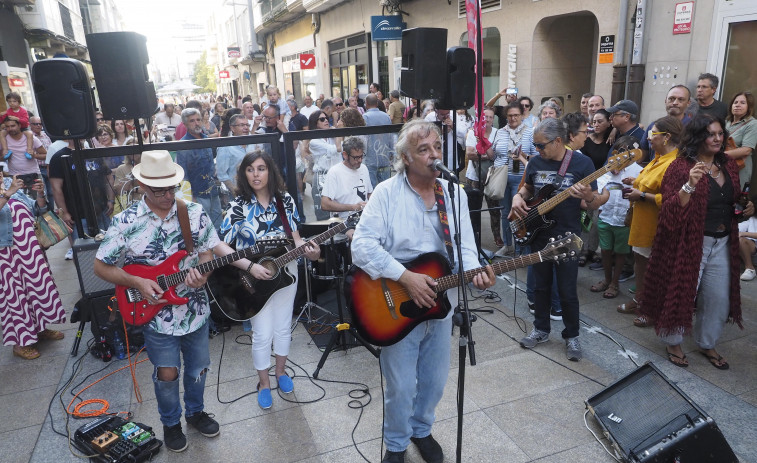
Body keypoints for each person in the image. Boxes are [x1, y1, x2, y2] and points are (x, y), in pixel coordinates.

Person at [94, 150, 257, 452]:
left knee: (198, 368)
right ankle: (170, 422)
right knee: (167, 372)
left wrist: (203, 275)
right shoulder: (125, 221)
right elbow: (100, 266)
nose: (169, 195)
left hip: (194, 310)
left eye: (172, 187)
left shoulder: (191, 212)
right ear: (142, 186)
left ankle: (195, 413)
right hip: (155, 315)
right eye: (160, 190)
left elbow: (208, 249)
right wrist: (136, 281)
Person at [351, 119, 494, 463]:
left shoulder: (454, 193)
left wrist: (475, 272)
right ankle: (397, 445)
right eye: (423, 149)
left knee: (433, 381)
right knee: (400, 386)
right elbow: (362, 246)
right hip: (395, 305)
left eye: (437, 148)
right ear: (405, 157)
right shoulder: (386, 193)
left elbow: (466, 247)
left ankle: (421, 429)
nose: (433, 155)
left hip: (442, 305)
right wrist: (405, 277)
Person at [639, 114, 749, 369]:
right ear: (698, 137)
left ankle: (707, 343)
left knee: (718, 298)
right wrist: (690, 184)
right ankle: (673, 341)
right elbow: (670, 212)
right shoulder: (679, 167)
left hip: (723, 242)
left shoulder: (728, 165)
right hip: (690, 242)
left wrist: (745, 207)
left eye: (720, 134)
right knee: (682, 293)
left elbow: (729, 202)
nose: (718, 139)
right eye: (711, 134)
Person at [220, 151, 319, 409]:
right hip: (252, 277)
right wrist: (250, 267)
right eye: (250, 169)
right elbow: (219, 246)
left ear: (270, 172)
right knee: (262, 334)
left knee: (283, 327)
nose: (256, 174)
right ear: (244, 174)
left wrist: (311, 250)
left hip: (287, 272)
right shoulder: (237, 205)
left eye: (261, 168)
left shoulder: (284, 200)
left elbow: (296, 239)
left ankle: (281, 373)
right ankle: (264, 384)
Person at [510, 117, 599, 361]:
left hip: (568, 236)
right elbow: (528, 188)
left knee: (568, 289)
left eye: (541, 145)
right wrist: (519, 197)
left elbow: (596, 200)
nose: (537, 150)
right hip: (540, 233)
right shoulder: (537, 162)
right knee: (540, 286)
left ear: (558, 141)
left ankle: (572, 336)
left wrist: (589, 195)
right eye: (535, 146)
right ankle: (540, 329)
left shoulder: (583, 163)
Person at [617, 116, 684, 324]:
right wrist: (635, 181)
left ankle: (652, 309)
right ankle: (639, 300)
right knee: (641, 264)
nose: (648, 138)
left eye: (653, 134)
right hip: (642, 223)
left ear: (667, 137)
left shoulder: (675, 163)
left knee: (654, 269)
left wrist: (642, 195)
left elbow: (676, 199)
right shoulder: (657, 157)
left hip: (657, 226)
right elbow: (650, 182)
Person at [0, 172, 65, 360]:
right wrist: (8, 193)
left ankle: (39, 328)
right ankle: (20, 343)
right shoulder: (9, 188)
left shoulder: (8, 181)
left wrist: (40, 194)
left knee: (37, 289)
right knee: (15, 296)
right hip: (7, 253)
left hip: (30, 251)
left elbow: (38, 210)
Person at [590, 136, 643, 299]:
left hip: (623, 220)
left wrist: (634, 183)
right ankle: (606, 280)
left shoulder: (639, 172)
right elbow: (597, 189)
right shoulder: (607, 170)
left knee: (620, 252)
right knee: (605, 250)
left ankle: (615, 282)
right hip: (605, 216)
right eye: (618, 154)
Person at [491, 102, 536, 255]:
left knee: (518, 213)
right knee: (505, 213)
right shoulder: (500, 132)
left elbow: (535, 158)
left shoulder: (530, 132)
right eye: (510, 115)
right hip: (503, 177)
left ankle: (520, 247)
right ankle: (507, 245)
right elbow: (494, 153)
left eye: (516, 115)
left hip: (521, 178)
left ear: (522, 115)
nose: (513, 118)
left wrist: (523, 157)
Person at [176, 108, 223, 230]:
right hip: (198, 194)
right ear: (185, 124)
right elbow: (183, 175)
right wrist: (191, 197)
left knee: (218, 225)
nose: (196, 123)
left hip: (213, 190)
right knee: (203, 227)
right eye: (192, 121)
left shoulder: (206, 139)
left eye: (198, 120)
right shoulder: (183, 145)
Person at [464, 107, 502, 247]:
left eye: (490, 117)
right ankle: (473, 237)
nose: (487, 119)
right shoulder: (472, 133)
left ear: (494, 119)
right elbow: (470, 154)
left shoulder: (498, 133)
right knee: (474, 208)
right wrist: (487, 155)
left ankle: (497, 236)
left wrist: (481, 153)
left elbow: (496, 154)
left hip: (492, 176)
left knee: (494, 208)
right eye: (485, 116)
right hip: (474, 176)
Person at [321, 136, 373, 221]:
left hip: (365, 218)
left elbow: (369, 193)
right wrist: (354, 207)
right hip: (344, 222)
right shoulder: (334, 172)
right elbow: (325, 204)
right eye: (356, 157)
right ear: (345, 155)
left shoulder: (364, 168)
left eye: (361, 156)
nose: (360, 160)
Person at [640, 85, 692, 161]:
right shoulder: (653, 126)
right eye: (671, 99)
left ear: (688, 103)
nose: (675, 103)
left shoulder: (693, 128)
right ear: (665, 101)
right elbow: (645, 151)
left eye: (680, 99)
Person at [307, 110, 342, 220]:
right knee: (324, 213)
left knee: (339, 208)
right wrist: (338, 131)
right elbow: (337, 149)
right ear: (315, 123)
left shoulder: (332, 135)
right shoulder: (314, 142)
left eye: (327, 118)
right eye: (322, 119)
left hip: (337, 175)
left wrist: (335, 132)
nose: (326, 120)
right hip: (322, 176)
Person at [724, 91, 757, 188]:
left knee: (736, 197)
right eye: (735, 102)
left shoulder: (752, 124)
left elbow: (746, 150)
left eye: (742, 103)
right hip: (723, 166)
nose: (737, 105)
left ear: (749, 107)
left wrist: (719, 155)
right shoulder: (726, 122)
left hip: (739, 168)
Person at [362, 94, 394, 187]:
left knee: (371, 189)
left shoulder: (365, 117)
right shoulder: (386, 116)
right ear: (377, 103)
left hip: (371, 157)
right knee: (386, 187)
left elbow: (364, 138)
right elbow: (390, 136)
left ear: (366, 104)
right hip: (384, 155)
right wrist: (391, 151)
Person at [216, 114, 251, 197]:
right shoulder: (225, 147)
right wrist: (235, 192)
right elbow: (222, 175)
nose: (246, 128)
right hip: (237, 192)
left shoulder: (253, 143)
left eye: (247, 125)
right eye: (242, 125)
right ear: (232, 128)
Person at [0, 92, 33, 159]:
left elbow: (25, 120)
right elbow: (2, 120)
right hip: (11, 128)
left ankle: (29, 150)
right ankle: (5, 150)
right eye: (9, 101)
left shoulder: (23, 110)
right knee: (2, 133)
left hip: (23, 128)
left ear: (19, 102)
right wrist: (1, 115)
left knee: (30, 134)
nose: (12, 103)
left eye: (14, 101)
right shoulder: (8, 111)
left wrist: (17, 119)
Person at [739, 215, 757, 281]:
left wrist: (744, 234)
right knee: (738, 239)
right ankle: (749, 269)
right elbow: (737, 227)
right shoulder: (753, 219)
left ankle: (750, 268)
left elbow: (742, 233)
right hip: (752, 251)